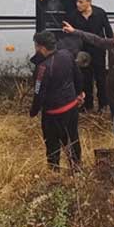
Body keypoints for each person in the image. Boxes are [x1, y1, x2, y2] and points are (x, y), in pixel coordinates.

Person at [31, 31, 83, 171]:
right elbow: (77, 75)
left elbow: (38, 92)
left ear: (41, 48)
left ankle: (54, 172)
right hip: (71, 107)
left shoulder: (43, 67)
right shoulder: (67, 54)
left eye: (36, 46)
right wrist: (80, 93)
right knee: (73, 139)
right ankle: (77, 169)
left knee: (53, 144)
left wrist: (33, 111)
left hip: (53, 113)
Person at [68, 0, 111, 112]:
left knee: (101, 78)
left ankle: (103, 105)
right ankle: (88, 105)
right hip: (82, 52)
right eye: (77, 1)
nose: (78, 4)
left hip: (98, 51)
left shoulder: (100, 13)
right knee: (85, 79)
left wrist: (111, 47)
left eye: (81, 2)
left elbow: (108, 31)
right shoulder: (73, 16)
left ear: (89, 1)